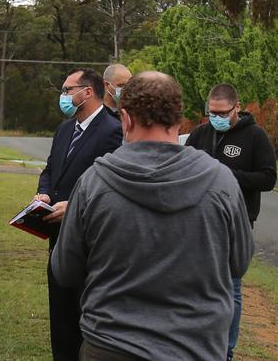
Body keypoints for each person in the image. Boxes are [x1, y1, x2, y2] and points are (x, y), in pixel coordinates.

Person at [51, 72, 254, 361]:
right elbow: (239, 262)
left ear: (126, 119)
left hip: (111, 344)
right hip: (196, 347)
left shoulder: (93, 182)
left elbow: (65, 270)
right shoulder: (222, 182)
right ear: (180, 122)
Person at [35, 67, 122, 360]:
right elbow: (50, 170)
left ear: (87, 92)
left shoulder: (113, 131)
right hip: (58, 238)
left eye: (67, 89)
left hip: (92, 241)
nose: (63, 96)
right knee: (60, 315)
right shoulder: (64, 129)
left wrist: (74, 205)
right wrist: (44, 192)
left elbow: (113, 185)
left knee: (86, 315)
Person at [185, 83, 277, 361]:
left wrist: (228, 175)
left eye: (222, 112)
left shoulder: (255, 136)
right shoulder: (200, 134)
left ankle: (226, 349)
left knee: (231, 287)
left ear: (237, 107)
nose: (216, 117)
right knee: (195, 286)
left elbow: (268, 178)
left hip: (237, 222)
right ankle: (195, 344)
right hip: (198, 222)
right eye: (212, 112)